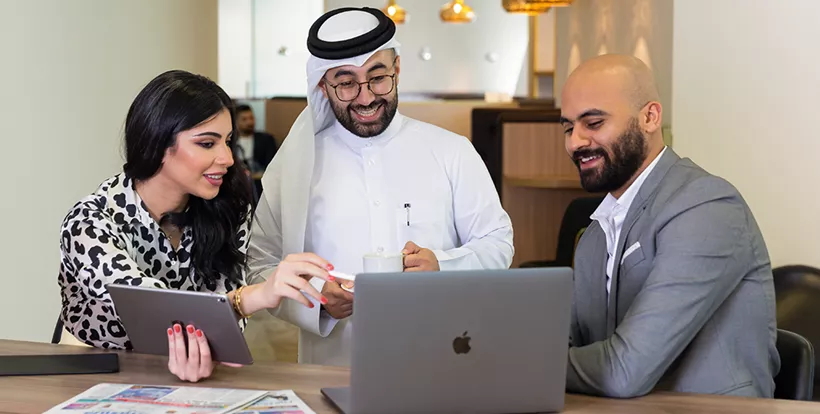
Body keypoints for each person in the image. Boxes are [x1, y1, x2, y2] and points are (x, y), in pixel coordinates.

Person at [247, 6, 514, 366]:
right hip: (332, 368)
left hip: (440, 364)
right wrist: (316, 301)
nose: (366, 97)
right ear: (323, 86)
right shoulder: (293, 167)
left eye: (377, 77)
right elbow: (260, 263)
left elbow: (497, 242)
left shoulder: (452, 151)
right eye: (346, 83)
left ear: (397, 70)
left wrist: (442, 266)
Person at [57, 70, 335, 382]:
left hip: (196, 373)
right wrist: (254, 296)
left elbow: (226, 329)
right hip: (96, 372)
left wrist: (210, 341)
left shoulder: (228, 209)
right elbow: (150, 309)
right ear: (156, 142)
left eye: (227, 142)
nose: (227, 158)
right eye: (207, 143)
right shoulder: (89, 221)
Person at [559, 54, 780, 398]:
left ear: (649, 117)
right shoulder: (595, 233)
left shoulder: (707, 206)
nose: (575, 142)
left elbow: (623, 372)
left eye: (594, 123)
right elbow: (568, 341)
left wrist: (527, 364)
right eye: (568, 128)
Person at [235, 104, 278, 175]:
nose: (249, 122)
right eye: (244, 119)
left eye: (251, 118)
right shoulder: (230, 141)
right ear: (236, 122)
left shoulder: (267, 140)